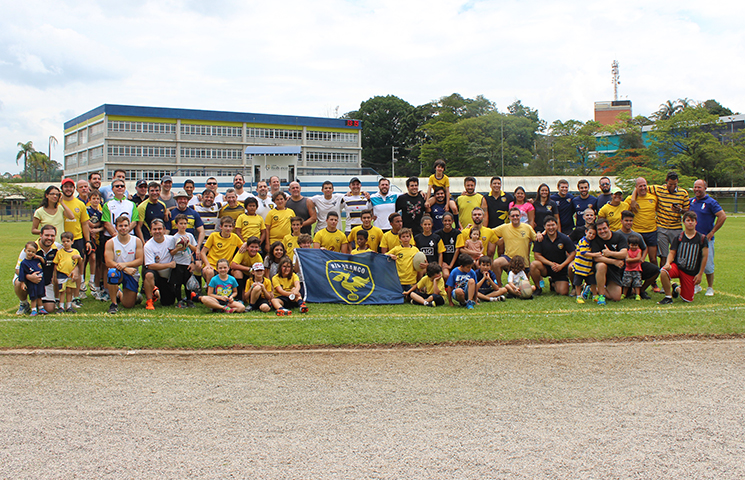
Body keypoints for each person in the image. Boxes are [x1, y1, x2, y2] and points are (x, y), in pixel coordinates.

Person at [658, 211, 708, 305]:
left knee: (687, 299)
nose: (690, 222)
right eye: (688, 220)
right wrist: (668, 263)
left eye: (692, 220)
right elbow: (672, 252)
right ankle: (668, 297)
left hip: (690, 271)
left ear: (696, 222)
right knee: (664, 271)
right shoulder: (679, 237)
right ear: (684, 222)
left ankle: (676, 287)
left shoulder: (702, 238)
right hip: (678, 266)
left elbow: (705, 256)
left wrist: (700, 273)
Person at [690, 179, 726, 296]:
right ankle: (696, 285)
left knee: (708, 265)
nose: (697, 189)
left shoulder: (711, 202)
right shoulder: (692, 201)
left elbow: (722, 216)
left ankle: (710, 287)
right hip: (693, 238)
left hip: (706, 239)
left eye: (699, 187)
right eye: (695, 187)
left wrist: (712, 232)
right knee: (694, 264)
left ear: (705, 188)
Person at [14, 225, 61, 314]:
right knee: (18, 282)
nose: (49, 238)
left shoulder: (58, 248)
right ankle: (24, 304)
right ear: (40, 235)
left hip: (46, 282)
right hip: (30, 280)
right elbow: (17, 269)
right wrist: (29, 277)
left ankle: (38, 303)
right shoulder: (30, 249)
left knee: (49, 309)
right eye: (47, 235)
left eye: (52, 236)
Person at [647, 172, 690, 267]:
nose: (673, 187)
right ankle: (664, 278)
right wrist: (633, 200)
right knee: (664, 256)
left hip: (676, 228)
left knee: (679, 255)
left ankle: (677, 276)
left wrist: (680, 210)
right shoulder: (658, 189)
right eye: (671, 184)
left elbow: (687, 211)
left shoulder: (683, 193)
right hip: (662, 228)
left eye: (675, 184)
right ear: (666, 181)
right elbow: (640, 187)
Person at [60, 177, 92, 305]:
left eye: (70, 186)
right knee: (62, 268)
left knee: (78, 268)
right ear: (62, 188)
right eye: (65, 186)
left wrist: (88, 241)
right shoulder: (58, 203)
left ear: (74, 189)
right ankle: (60, 297)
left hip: (77, 239)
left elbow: (84, 224)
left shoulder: (80, 204)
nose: (68, 189)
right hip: (61, 240)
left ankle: (76, 296)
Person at [104, 216, 144, 314]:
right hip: (119, 271)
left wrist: (124, 265)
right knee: (112, 273)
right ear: (116, 227)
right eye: (120, 226)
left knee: (128, 305)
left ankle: (119, 293)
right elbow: (109, 262)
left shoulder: (136, 241)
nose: (123, 228)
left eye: (125, 225)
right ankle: (113, 304)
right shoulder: (110, 242)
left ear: (129, 226)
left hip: (132, 273)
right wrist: (125, 269)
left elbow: (140, 260)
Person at [617, 210, 660, 299]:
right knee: (626, 293)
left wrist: (642, 258)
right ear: (621, 221)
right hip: (622, 266)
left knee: (655, 270)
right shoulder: (616, 235)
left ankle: (641, 290)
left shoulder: (637, 235)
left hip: (636, 265)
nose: (629, 223)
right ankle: (627, 291)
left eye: (631, 220)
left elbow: (645, 248)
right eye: (626, 220)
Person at [530, 216, 576, 296]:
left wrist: (561, 266)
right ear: (544, 227)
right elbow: (537, 255)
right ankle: (538, 288)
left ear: (557, 226)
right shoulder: (540, 239)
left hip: (561, 268)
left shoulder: (564, 238)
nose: (551, 227)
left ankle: (553, 283)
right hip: (546, 267)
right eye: (548, 225)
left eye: (553, 225)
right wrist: (551, 264)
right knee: (534, 264)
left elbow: (573, 253)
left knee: (563, 292)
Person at [492, 207, 539, 283]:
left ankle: (538, 286)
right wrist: (498, 241)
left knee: (524, 288)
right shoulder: (505, 227)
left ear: (520, 216)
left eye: (517, 215)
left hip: (523, 262)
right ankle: (498, 286)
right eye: (513, 216)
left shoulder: (527, 227)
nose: (515, 217)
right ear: (509, 217)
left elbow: (536, 238)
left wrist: (540, 233)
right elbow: (489, 232)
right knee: (496, 263)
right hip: (509, 259)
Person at [588, 218, 628, 305]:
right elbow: (597, 258)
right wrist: (614, 261)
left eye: (604, 228)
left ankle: (592, 288)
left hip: (614, 269)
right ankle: (601, 296)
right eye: (599, 229)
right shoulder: (596, 239)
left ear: (609, 228)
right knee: (602, 265)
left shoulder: (619, 237)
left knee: (616, 297)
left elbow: (624, 254)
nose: (602, 231)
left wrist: (610, 253)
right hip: (599, 268)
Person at [142, 218, 177, 310]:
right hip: (156, 274)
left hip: (168, 276)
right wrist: (169, 265)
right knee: (149, 274)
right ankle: (149, 300)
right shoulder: (148, 245)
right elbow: (150, 265)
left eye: (159, 229)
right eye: (154, 229)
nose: (157, 231)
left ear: (164, 230)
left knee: (168, 302)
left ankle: (156, 292)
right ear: (151, 231)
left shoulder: (172, 239)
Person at [625, 177, 658, 265]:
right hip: (637, 232)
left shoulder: (653, 198)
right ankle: (636, 276)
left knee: (653, 259)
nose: (643, 188)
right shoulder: (630, 200)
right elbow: (624, 212)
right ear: (636, 187)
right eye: (640, 186)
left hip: (652, 231)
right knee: (636, 258)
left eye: (644, 185)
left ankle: (654, 277)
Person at [201, 216, 243, 285]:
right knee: (209, 272)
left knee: (238, 273)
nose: (228, 228)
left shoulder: (235, 237)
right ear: (221, 227)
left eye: (230, 226)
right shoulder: (213, 236)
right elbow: (203, 252)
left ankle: (237, 294)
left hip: (226, 267)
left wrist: (245, 244)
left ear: (233, 228)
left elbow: (244, 247)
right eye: (225, 226)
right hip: (213, 265)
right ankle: (211, 292)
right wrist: (207, 264)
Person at [171, 214, 198, 308]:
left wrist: (188, 245)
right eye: (181, 223)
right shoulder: (174, 237)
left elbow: (194, 249)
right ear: (176, 225)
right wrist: (178, 248)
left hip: (187, 263)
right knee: (178, 284)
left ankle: (189, 300)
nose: (183, 225)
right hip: (178, 263)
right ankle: (179, 300)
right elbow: (172, 252)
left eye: (185, 223)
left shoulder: (189, 236)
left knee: (188, 283)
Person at [54, 231, 83, 313]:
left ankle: (69, 306)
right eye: (63, 241)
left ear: (72, 241)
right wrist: (56, 274)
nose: (65, 243)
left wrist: (79, 258)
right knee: (62, 291)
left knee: (70, 290)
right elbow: (56, 263)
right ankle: (61, 306)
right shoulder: (60, 252)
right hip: (62, 274)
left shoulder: (75, 252)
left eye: (67, 241)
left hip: (71, 275)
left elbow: (79, 264)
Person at [387, 228, 420, 293]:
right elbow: (384, 255)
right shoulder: (397, 249)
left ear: (410, 237)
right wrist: (390, 255)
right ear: (400, 238)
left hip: (411, 280)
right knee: (398, 297)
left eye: (407, 236)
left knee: (412, 296)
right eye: (403, 237)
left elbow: (420, 262)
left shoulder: (415, 250)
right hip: (399, 280)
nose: (405, 238)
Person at [18, 242, 47, 316]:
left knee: (40, 295)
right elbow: (21, 273)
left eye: (33, 252)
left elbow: (44, 263)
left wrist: (40, 257)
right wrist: (22, 283)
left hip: (40, 282)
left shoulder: (37, 260)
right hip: (32, 283)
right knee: (33, 296)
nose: (30, 253)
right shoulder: (24, 263)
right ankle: (33, 309)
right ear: (25, 250)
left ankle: (41, 308)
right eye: (29, 251)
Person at [571, 223, 596, 304]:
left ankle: (595, 296)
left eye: (594, 234)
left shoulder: (592, 242)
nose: (591, 235)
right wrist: (596, 254)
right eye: (590, 233)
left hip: (588, 267)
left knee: (593, 282)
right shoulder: (582, 241)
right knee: (578, 282)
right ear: (586, 232)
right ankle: (578, 296)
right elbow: (584, 252)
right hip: (580, 266)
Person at [435, 212, 460, 280]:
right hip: (444, 262)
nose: (447, 223)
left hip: (455, 262)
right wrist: (442, 263)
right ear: (442, 221)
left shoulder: (457, 233)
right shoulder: (437, 234)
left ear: (452, 221)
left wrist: (451, 265)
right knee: (446, 275)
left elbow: (457, 250)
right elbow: (438, 252)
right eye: (445, 220)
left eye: (449, 220)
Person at [622, 234, 644, 301]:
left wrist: (632, 259)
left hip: (636, 270)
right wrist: (636, 259)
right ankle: (624, 294)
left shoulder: (639, 251)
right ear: (628, 244)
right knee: (626, 283)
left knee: (637, 283)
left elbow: (639, 258)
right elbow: (627, 259)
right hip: (628, 270)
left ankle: (638, 295)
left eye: (636, 245)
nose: (634, 247)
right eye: (632, 245)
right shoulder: (627, 251)